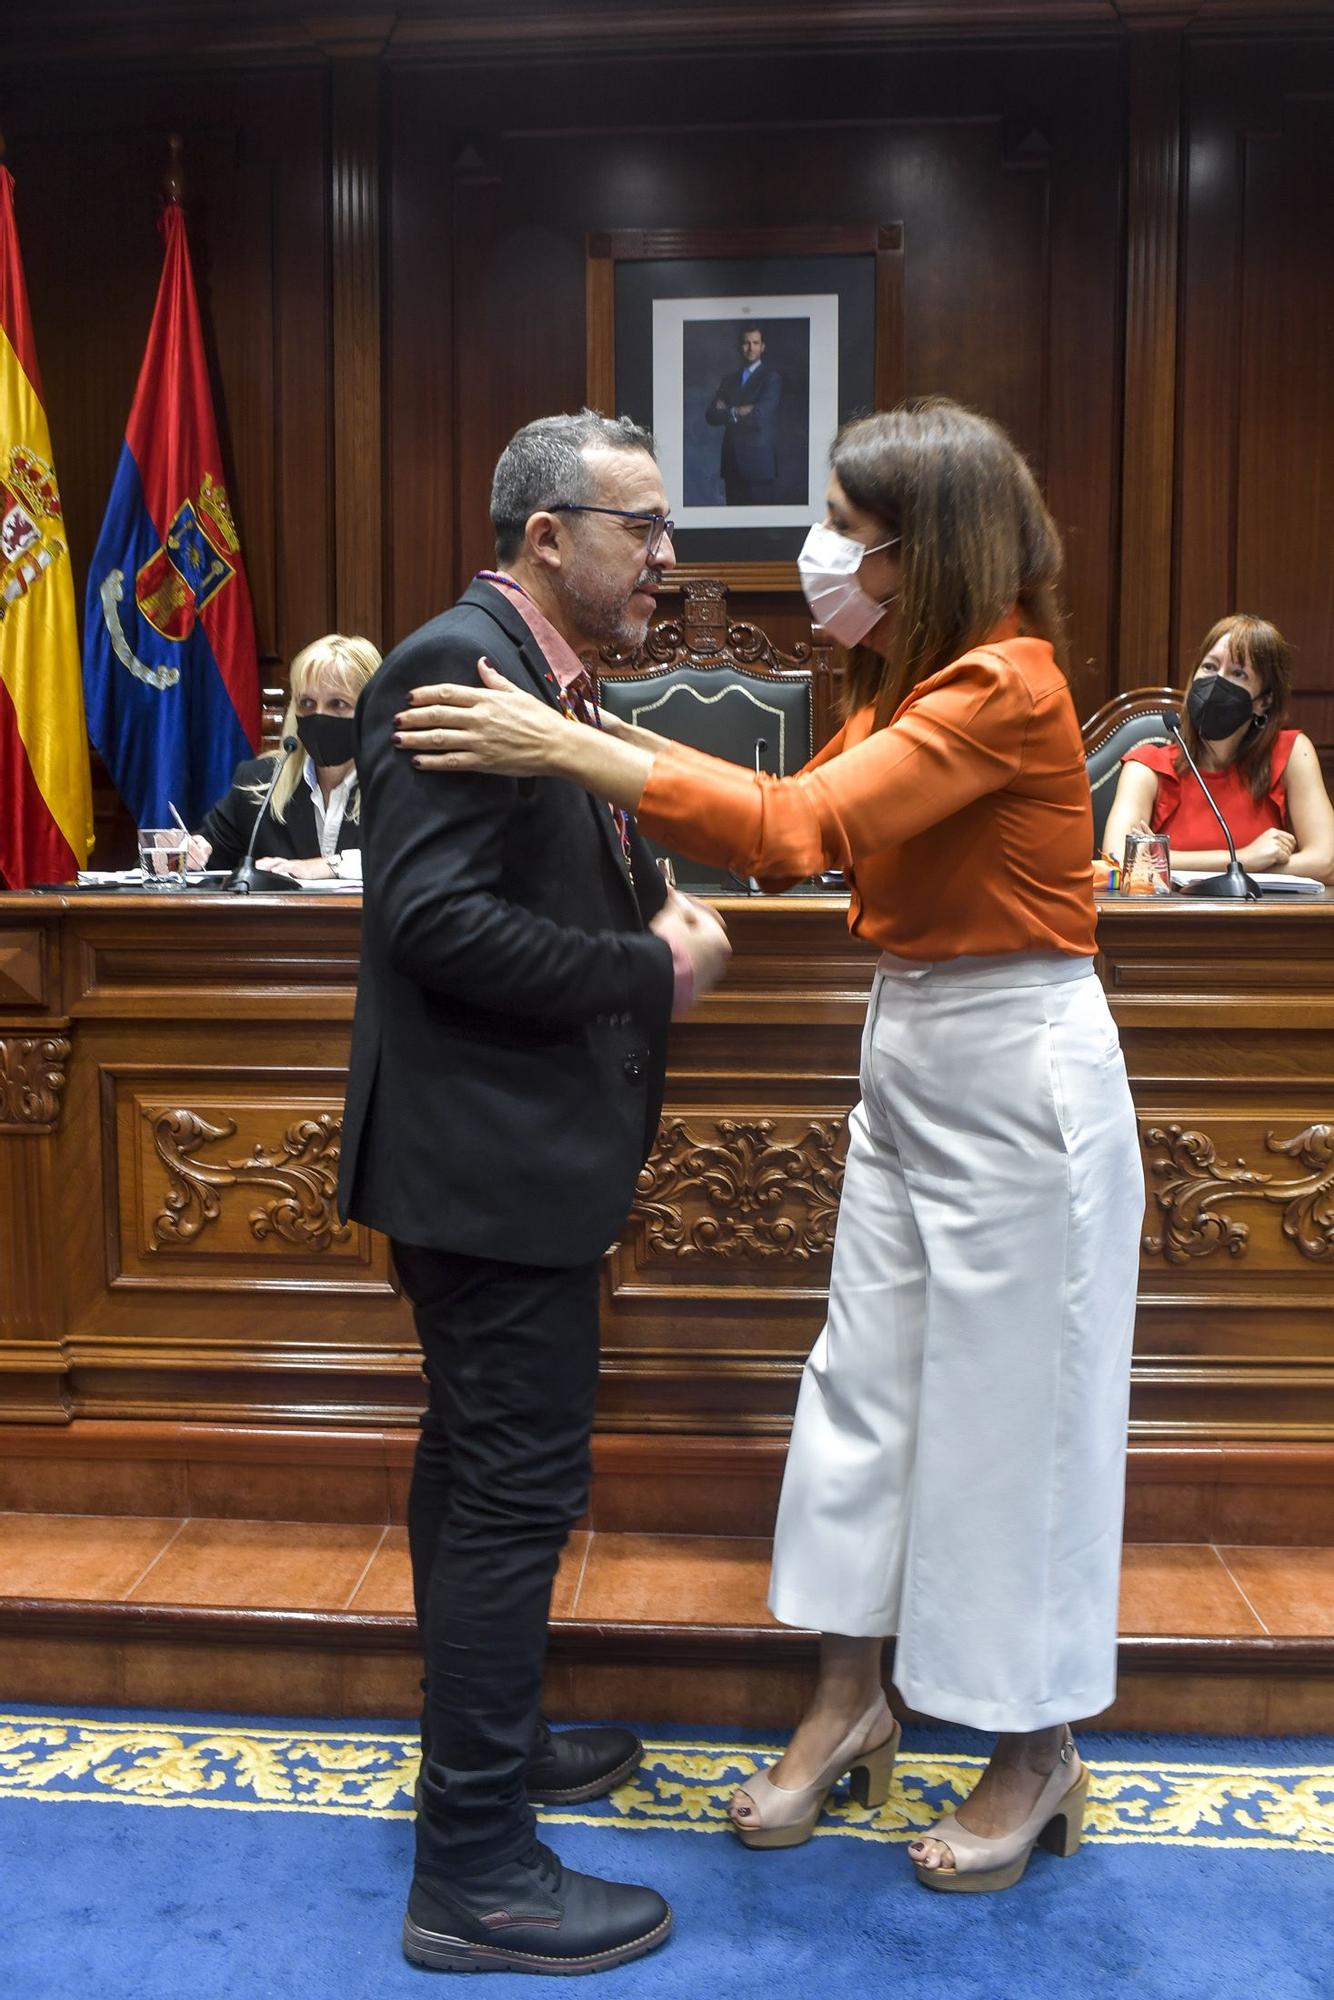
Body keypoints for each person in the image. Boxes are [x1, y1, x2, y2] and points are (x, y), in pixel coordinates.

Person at [395, 397, 1146, 1896]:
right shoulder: (903, 670)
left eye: (847, 530)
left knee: (1018, 1423)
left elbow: (796, 828)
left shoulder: (1005, 681)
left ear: (926, 546)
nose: (819, 554)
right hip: (915, 1049)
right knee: (858, 1388)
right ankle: (850, 1692)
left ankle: (1031, 1744)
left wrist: (569, 742)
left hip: (1018, 1066)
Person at [338, 410, 731, 1975]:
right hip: (488, 1169)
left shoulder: (542, 673)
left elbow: (544, 862)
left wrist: (646, 892)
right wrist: (648, 969)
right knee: (512, 1499)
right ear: (544, 534)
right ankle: (477, 1870)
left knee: (476, 1475)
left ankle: (480, 1749)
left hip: (498, 1163)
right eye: (639, 527)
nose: (664, 559)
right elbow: (433, 924)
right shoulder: (453, 665)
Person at [1102, 614, 1334, 883]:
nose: (1217, 682)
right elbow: (1119, 858)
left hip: (1262, 923)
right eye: (1210, 667)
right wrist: (1243, 859)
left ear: (1264, 701)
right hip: (1170, 922)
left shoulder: (1290, 753)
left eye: (1238, 673)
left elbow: (1327, 861)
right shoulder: (1148, 766)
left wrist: (1161, 858)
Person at [189, 634, 381, 880]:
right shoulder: (259, 782)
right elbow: (211, 854)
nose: (319, 715)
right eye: (308, 703)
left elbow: (418, 861)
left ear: (370, 709)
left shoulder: (400, 780)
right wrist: (189, 851)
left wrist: (328, 867)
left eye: (338, 704)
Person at [704, 324, 783, 505]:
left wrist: (727, 410)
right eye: (746, 343)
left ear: (762, 347)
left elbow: (760, 417)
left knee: (760, 527)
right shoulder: (729, 380)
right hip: (732, 464)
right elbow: (710, 415)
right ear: (740, 346)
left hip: (759, 466)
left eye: (755, 343)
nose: (750, 348)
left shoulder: (771, 379)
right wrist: (738, 410)